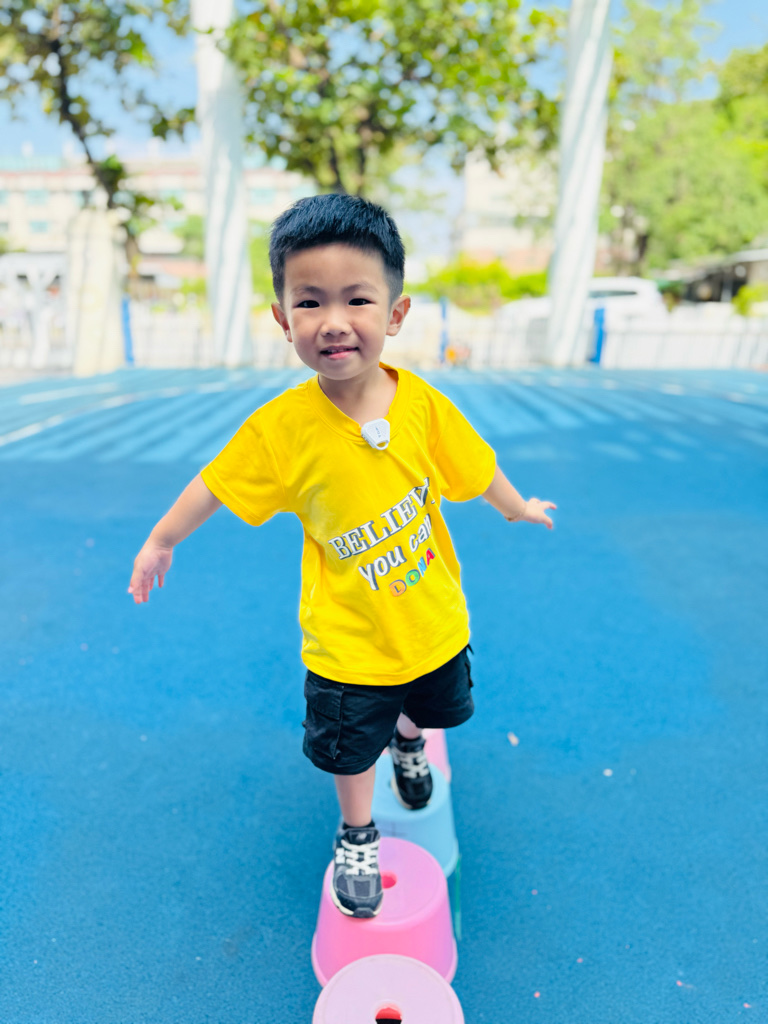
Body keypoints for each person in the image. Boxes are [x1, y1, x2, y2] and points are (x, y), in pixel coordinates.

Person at [128, 194, 556, 919]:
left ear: (396, 312)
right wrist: (162, 538)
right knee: (351, 751)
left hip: (431, 623)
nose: (333, 320)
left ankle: (410, 744)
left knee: (426, 708)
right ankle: (358, 832)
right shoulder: (282, 429)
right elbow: (216, 484)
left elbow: (474, 465)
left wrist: (516, 506)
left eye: (357, 299)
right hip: (348, 643)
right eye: (310, 302)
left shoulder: (421, 405)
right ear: (282, 319)